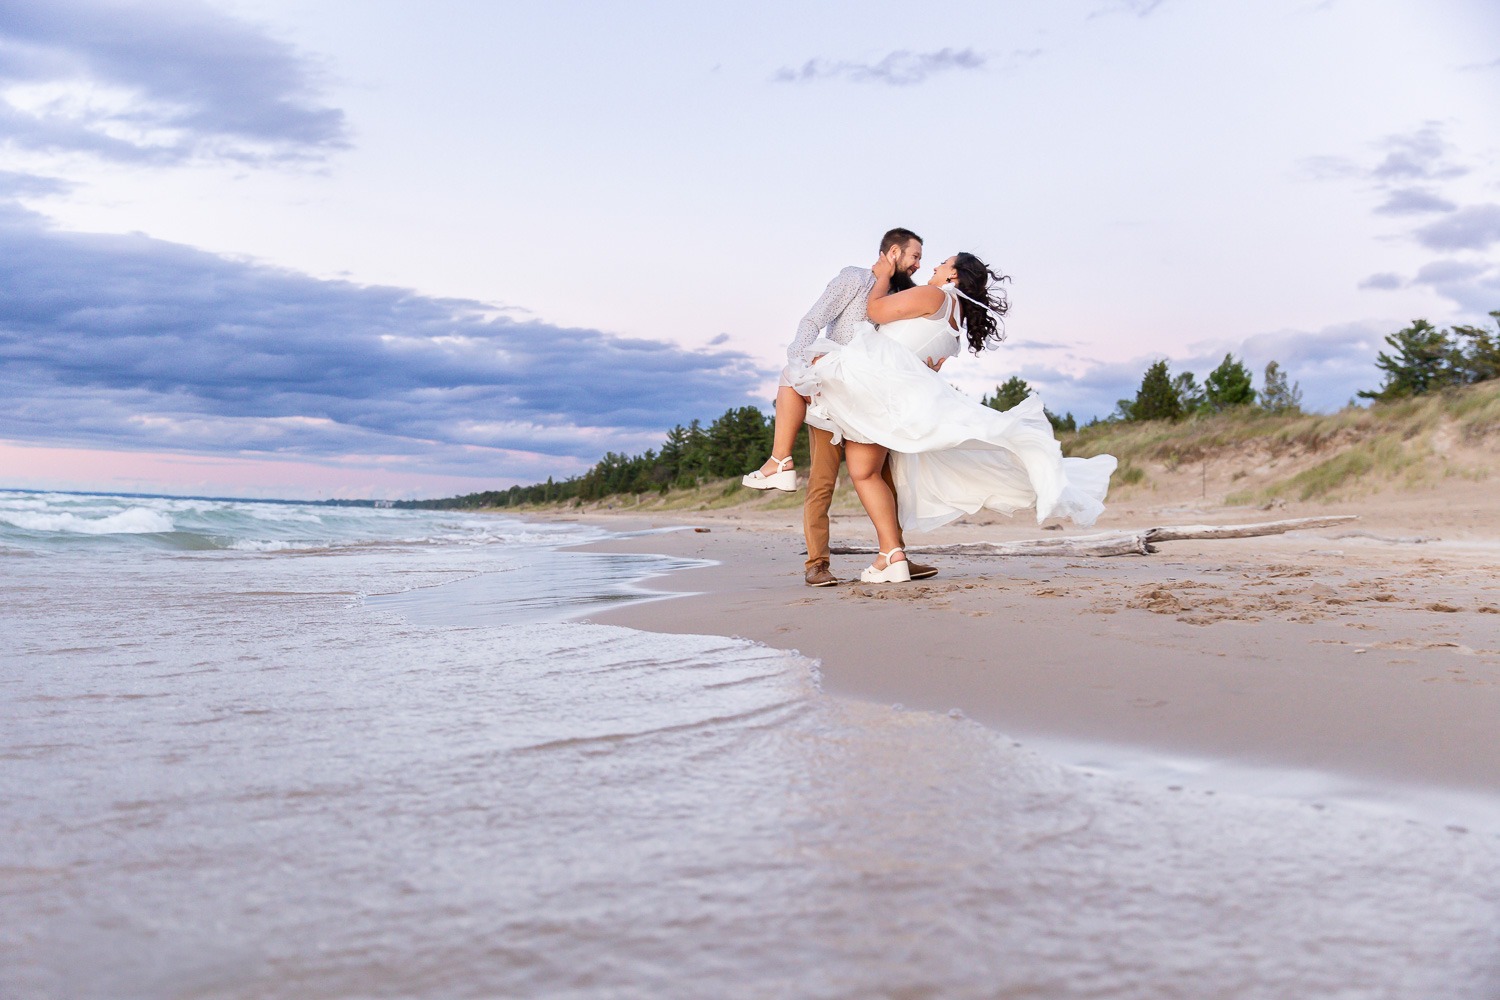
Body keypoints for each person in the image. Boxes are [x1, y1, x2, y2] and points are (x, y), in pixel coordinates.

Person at [794, 247, 1117, 583]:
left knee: (801, 393)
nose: (932, 265)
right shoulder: (954, 322)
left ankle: (780, 466)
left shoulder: (934, 295)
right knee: (864, 474)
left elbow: (874, 311)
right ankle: (886, 556)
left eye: (942, 263)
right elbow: (921, 360)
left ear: (954, 276)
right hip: (886, 402)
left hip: (865, 392)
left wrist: (883, 278)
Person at [742, 228, 938, 587]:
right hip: (830, 395)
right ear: (894, 252)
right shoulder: (854, 279)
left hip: (872, 401)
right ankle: (816, 565)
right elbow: (812, 320)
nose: (919, 264)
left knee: (884, 480)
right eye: (915, 256)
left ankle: (896, 556)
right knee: (822, 483)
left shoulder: (904, 296)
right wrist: (801, 365)